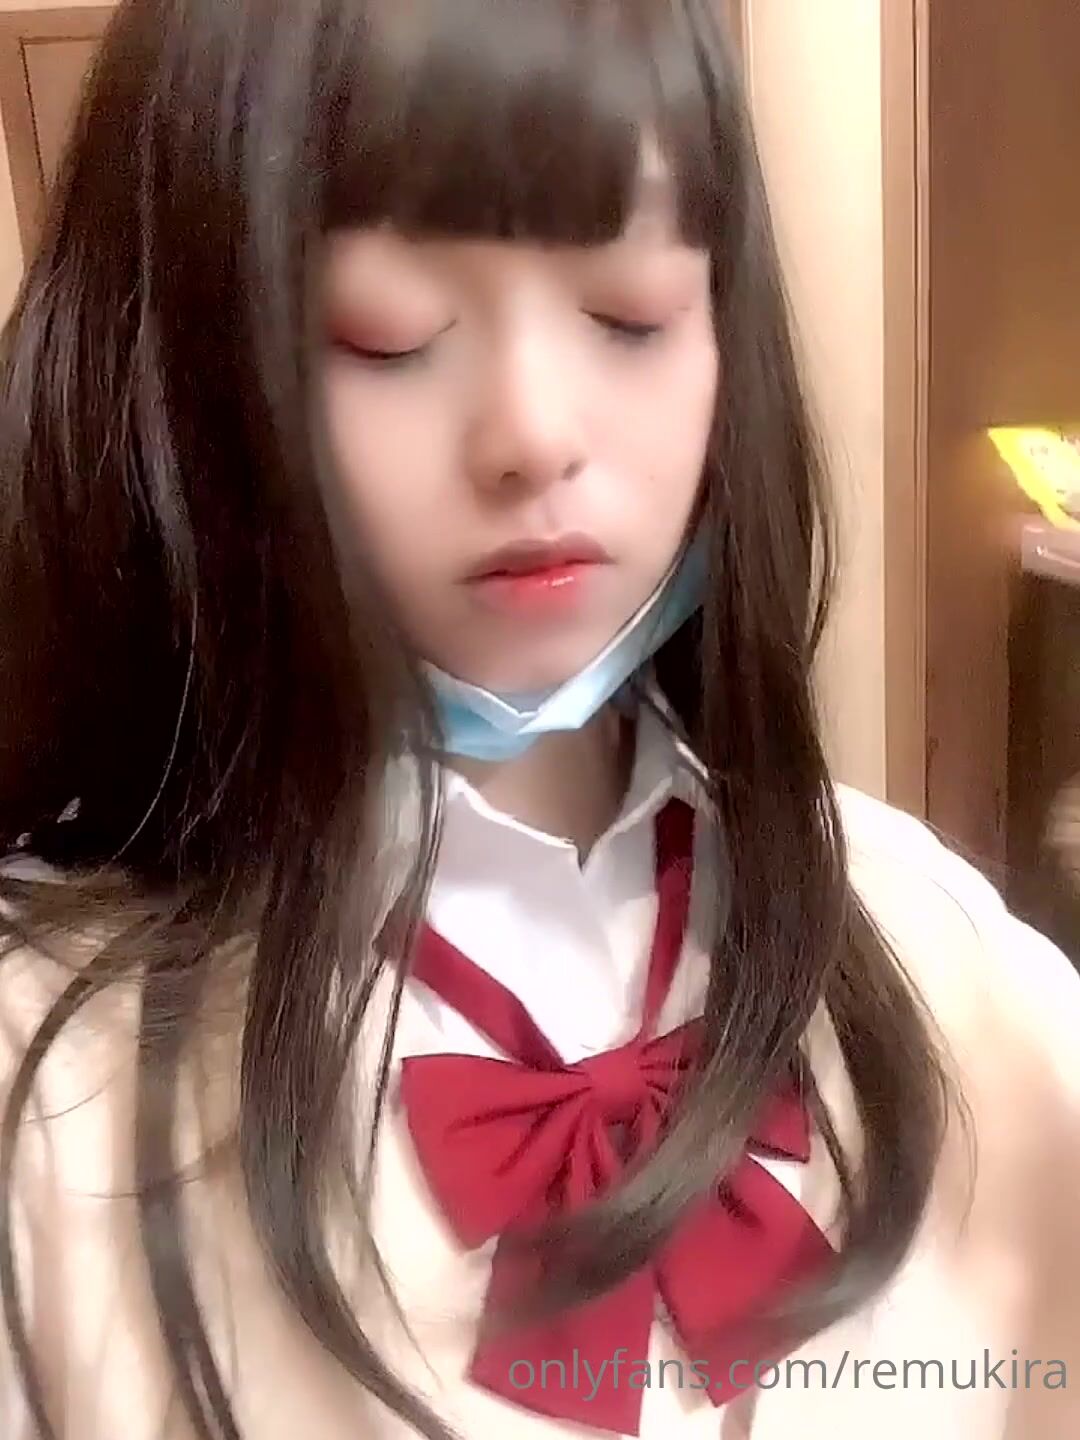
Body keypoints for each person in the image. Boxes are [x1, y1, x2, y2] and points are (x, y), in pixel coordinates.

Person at [1, 2, 1078, 1437]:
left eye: (631, 315)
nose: (535, 431)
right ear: (182, 374)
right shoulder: (43, 1074)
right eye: (387, 334)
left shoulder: (945, 954)